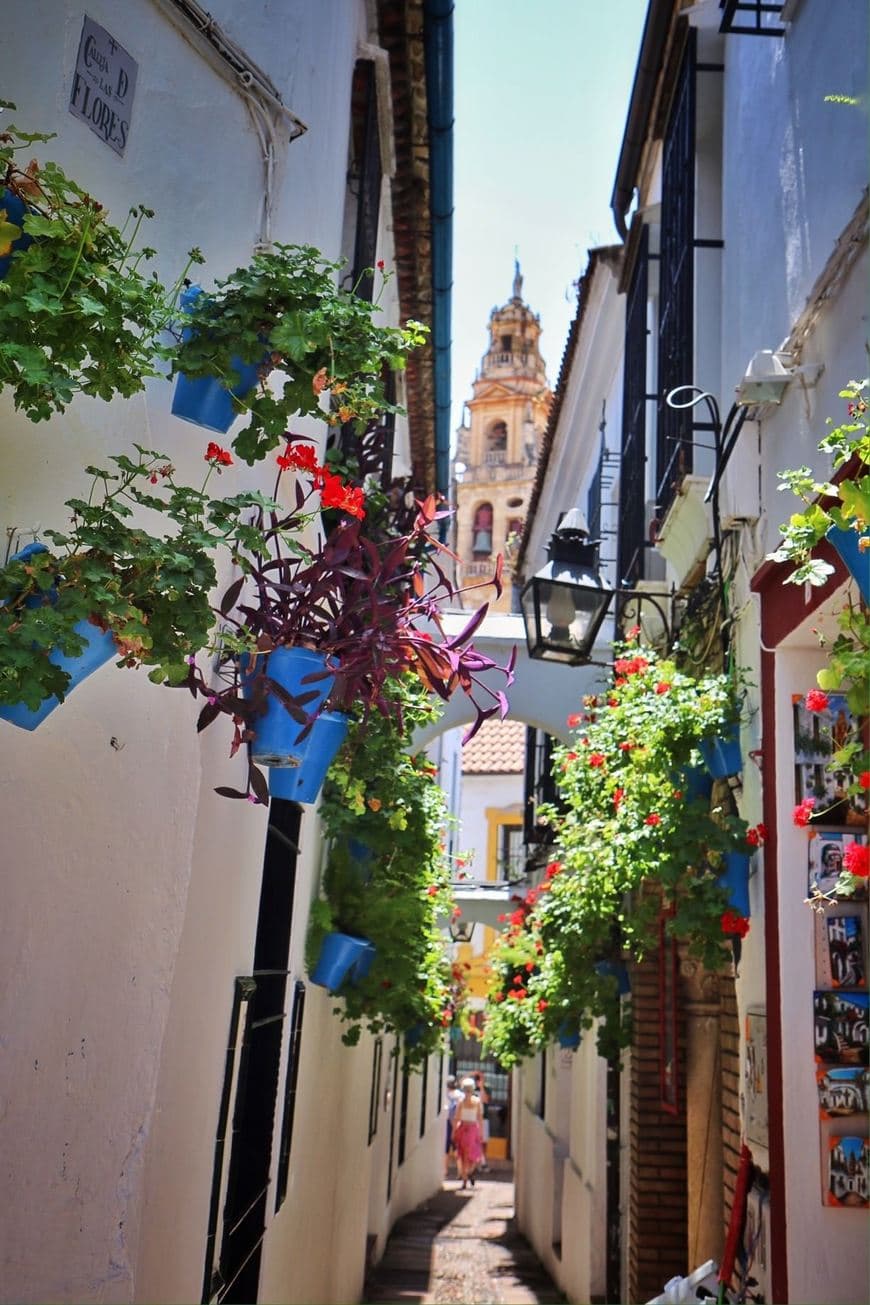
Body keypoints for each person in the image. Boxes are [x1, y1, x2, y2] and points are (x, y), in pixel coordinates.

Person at [452, 1077, 484, 1189]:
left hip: (463, 1129)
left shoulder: (461, 1102)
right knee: (474, 1154)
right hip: (473, 1130)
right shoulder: (477, 1101)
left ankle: (465, 1178)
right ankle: (469, 1172)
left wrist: (454, 1132)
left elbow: (456, 1118)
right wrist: (481, 1132)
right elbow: (480, 1118)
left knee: (463, 1155)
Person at [443, 1075, 463, 1178]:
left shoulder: (446, 1095)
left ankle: (445, 1171)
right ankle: (460, 1171)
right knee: (457, 1148)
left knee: (446, 1149)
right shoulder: (460, 1095)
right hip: (459, 1123)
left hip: (449, 1124)